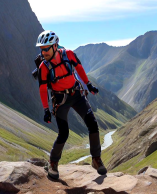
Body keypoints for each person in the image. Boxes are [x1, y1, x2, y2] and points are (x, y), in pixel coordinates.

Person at [36, 30, 107, 179]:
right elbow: (42, 88)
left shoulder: (68, 54)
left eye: (46, 48)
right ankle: (53, 163)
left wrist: (88, 84)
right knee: (64, 133)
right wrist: (46, 110)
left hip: (77, 94)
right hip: (60, 100)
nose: (43, 52)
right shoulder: (43, 67)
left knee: (93, 125)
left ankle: (96, 159)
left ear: (55, 46)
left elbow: (79, 68)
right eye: (41, 49)